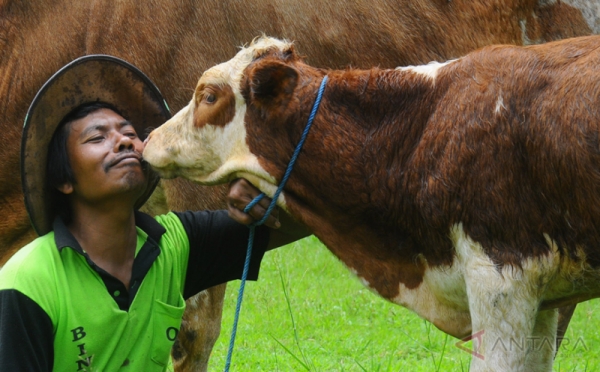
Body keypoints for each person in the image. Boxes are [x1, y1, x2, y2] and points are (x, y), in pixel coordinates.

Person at [0, 55, 308, 371]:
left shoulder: (175, 245)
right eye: (97, 137)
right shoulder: (28, 281)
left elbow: (306, 219)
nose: (122, 141)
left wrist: (262, 191)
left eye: (129, 133)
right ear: (64, 180)